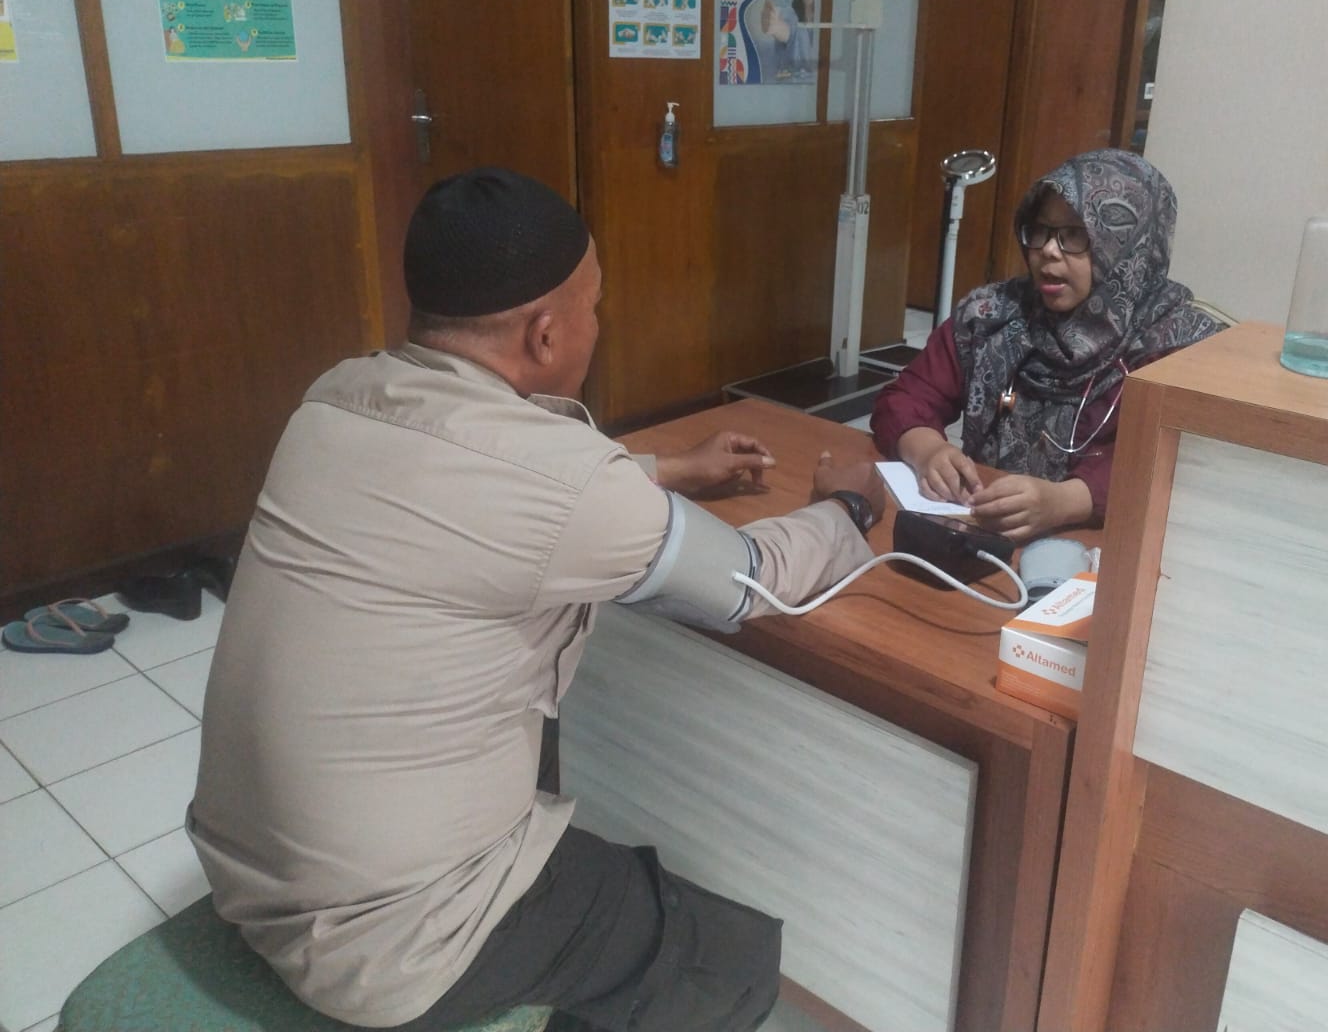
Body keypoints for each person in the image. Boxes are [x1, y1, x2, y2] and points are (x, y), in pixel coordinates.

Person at [188, 167, 887, 1032]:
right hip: (393, 942)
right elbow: (750, 580)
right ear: (547, 333)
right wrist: (850, 506)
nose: (600, 321)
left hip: (246, 871)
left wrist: (669, 470)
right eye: (596, 304)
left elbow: (484, 483)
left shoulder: (333, 400)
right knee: (728, 958)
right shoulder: (564, 485)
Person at [872, 149, 1223, 541]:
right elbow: (906, 396)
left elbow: (1179, 466)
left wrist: (1066, 501)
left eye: (1075, 234)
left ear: (1128, 245)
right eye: (1040, 231)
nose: (1048, 251)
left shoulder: (1178, 349)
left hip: (1105, 547)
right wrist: (927, 451)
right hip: (983, 531)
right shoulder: (991, 315)